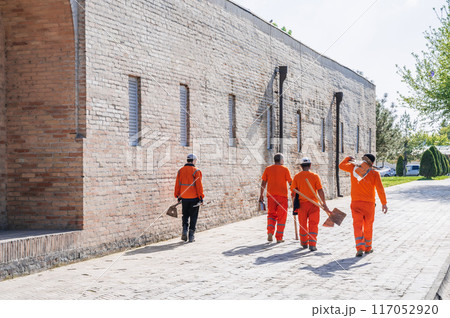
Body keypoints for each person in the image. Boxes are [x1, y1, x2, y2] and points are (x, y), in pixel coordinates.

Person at [339, 154, 388, 257]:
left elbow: (341, 166)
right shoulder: (374, 173)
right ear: (373, 163)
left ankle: (359, 248)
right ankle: (368, 248)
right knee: (368, 226)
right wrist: (384, 203)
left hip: (356, 202)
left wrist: (348, 158)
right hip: (369, 204)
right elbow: (380, 189)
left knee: (357, 225)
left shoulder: (354, 168)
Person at [290, 157, 330, 251]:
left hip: (302, 205)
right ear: (310, 165)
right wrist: (324, 203)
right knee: (313, 224)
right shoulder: (315, 176)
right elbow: (320, 190)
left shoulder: (297, 176)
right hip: (314, 205)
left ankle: (304, 243)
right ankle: (312, 244)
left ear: (301, 166)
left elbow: (293, 192)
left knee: (302, 224)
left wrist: (294, 201)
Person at [259, 153, 292, 243]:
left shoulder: (268, 169)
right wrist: (294, 193)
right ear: (281, 160)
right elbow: (290, 183)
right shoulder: (285, 169)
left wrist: (261, 195)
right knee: (282, 217)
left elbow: (263, 183)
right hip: (282, 197)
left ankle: (270, 232)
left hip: (271, 197)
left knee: (271, 215)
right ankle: (279, 237)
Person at [174, 154, 204, 243]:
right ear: (194, 161)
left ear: (187, 160)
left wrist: (178, 195)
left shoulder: (180, 171)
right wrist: (201, 197)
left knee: (185, 215)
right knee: (193, 216)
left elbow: (177, 184)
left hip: (184, 198)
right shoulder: (196, 171)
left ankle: (184, 230)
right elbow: (199, 186)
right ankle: (191, 235)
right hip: (194, 198)